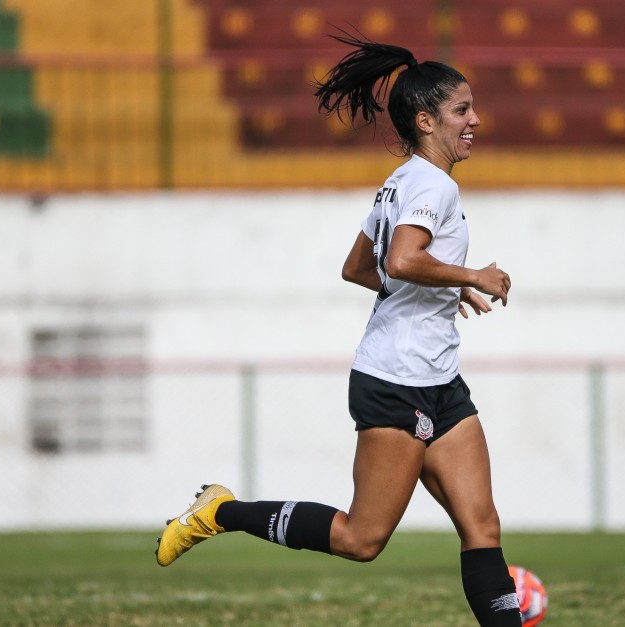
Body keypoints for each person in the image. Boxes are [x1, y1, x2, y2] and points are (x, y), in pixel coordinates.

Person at [155, 32, 520, 626]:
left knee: (482, 526)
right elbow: (400, 261)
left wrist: (444, 287)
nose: (475, 119)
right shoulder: (433, 185)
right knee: (360, 539)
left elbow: (359, 268)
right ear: (426, 121)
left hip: (440, 379)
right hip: (396, 380)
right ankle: (220, 513)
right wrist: (470, 274)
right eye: (462, 110)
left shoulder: (400, 181)